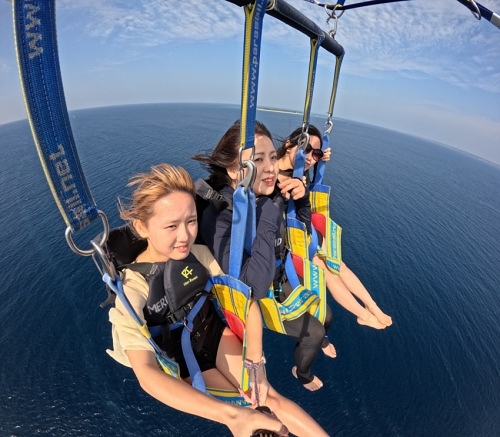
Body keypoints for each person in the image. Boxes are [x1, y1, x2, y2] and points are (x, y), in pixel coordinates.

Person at [106, 163, 329, 437]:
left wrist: (255, 362)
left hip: (215, 335)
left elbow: (246, 303)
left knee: (267, 396)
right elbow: (147, 374)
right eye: (171, 226)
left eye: (191, 221)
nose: (185, 236)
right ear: (142, 227)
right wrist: (232, 416)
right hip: (182, 360)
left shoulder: (198, 255)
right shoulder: (132, 290)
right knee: (248, 412)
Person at [193, 121, 336, 393]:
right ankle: (302, 373)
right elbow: (254, 288)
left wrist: (302, 200)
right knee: (314, 333)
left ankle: (320, 339)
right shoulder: (221, 215)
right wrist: (271, 209)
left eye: (272, 157)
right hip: (260, 297)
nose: (271, 167)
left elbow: (303, 232)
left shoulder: (264, 192)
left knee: (326, 315)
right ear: (234, 170)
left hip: (280, 275)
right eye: (258, 160)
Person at [276, 125, 393, 330]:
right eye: (306, 149)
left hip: (305, 230)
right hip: (291, 238)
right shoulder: (272, 175)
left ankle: (372, 305)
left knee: (340, 266)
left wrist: (320, 158)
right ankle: (363, 315)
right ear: (288, 145)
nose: (310, 157)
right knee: (329, 275)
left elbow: (308, 170)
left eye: (315, 154)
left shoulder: (300, 171)